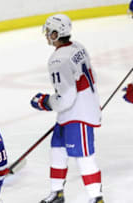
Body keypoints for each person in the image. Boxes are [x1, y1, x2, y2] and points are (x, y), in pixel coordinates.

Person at [30, 14, 104, 203]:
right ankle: (57, 193)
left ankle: (96, 197)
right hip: (72, 113)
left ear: (56, 33)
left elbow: (66, 98)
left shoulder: (58, 60)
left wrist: (45, 102)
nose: (46, 35)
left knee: (84, 156)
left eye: (49, 32)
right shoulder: (78, 47)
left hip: (77, 114)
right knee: (57, 150)